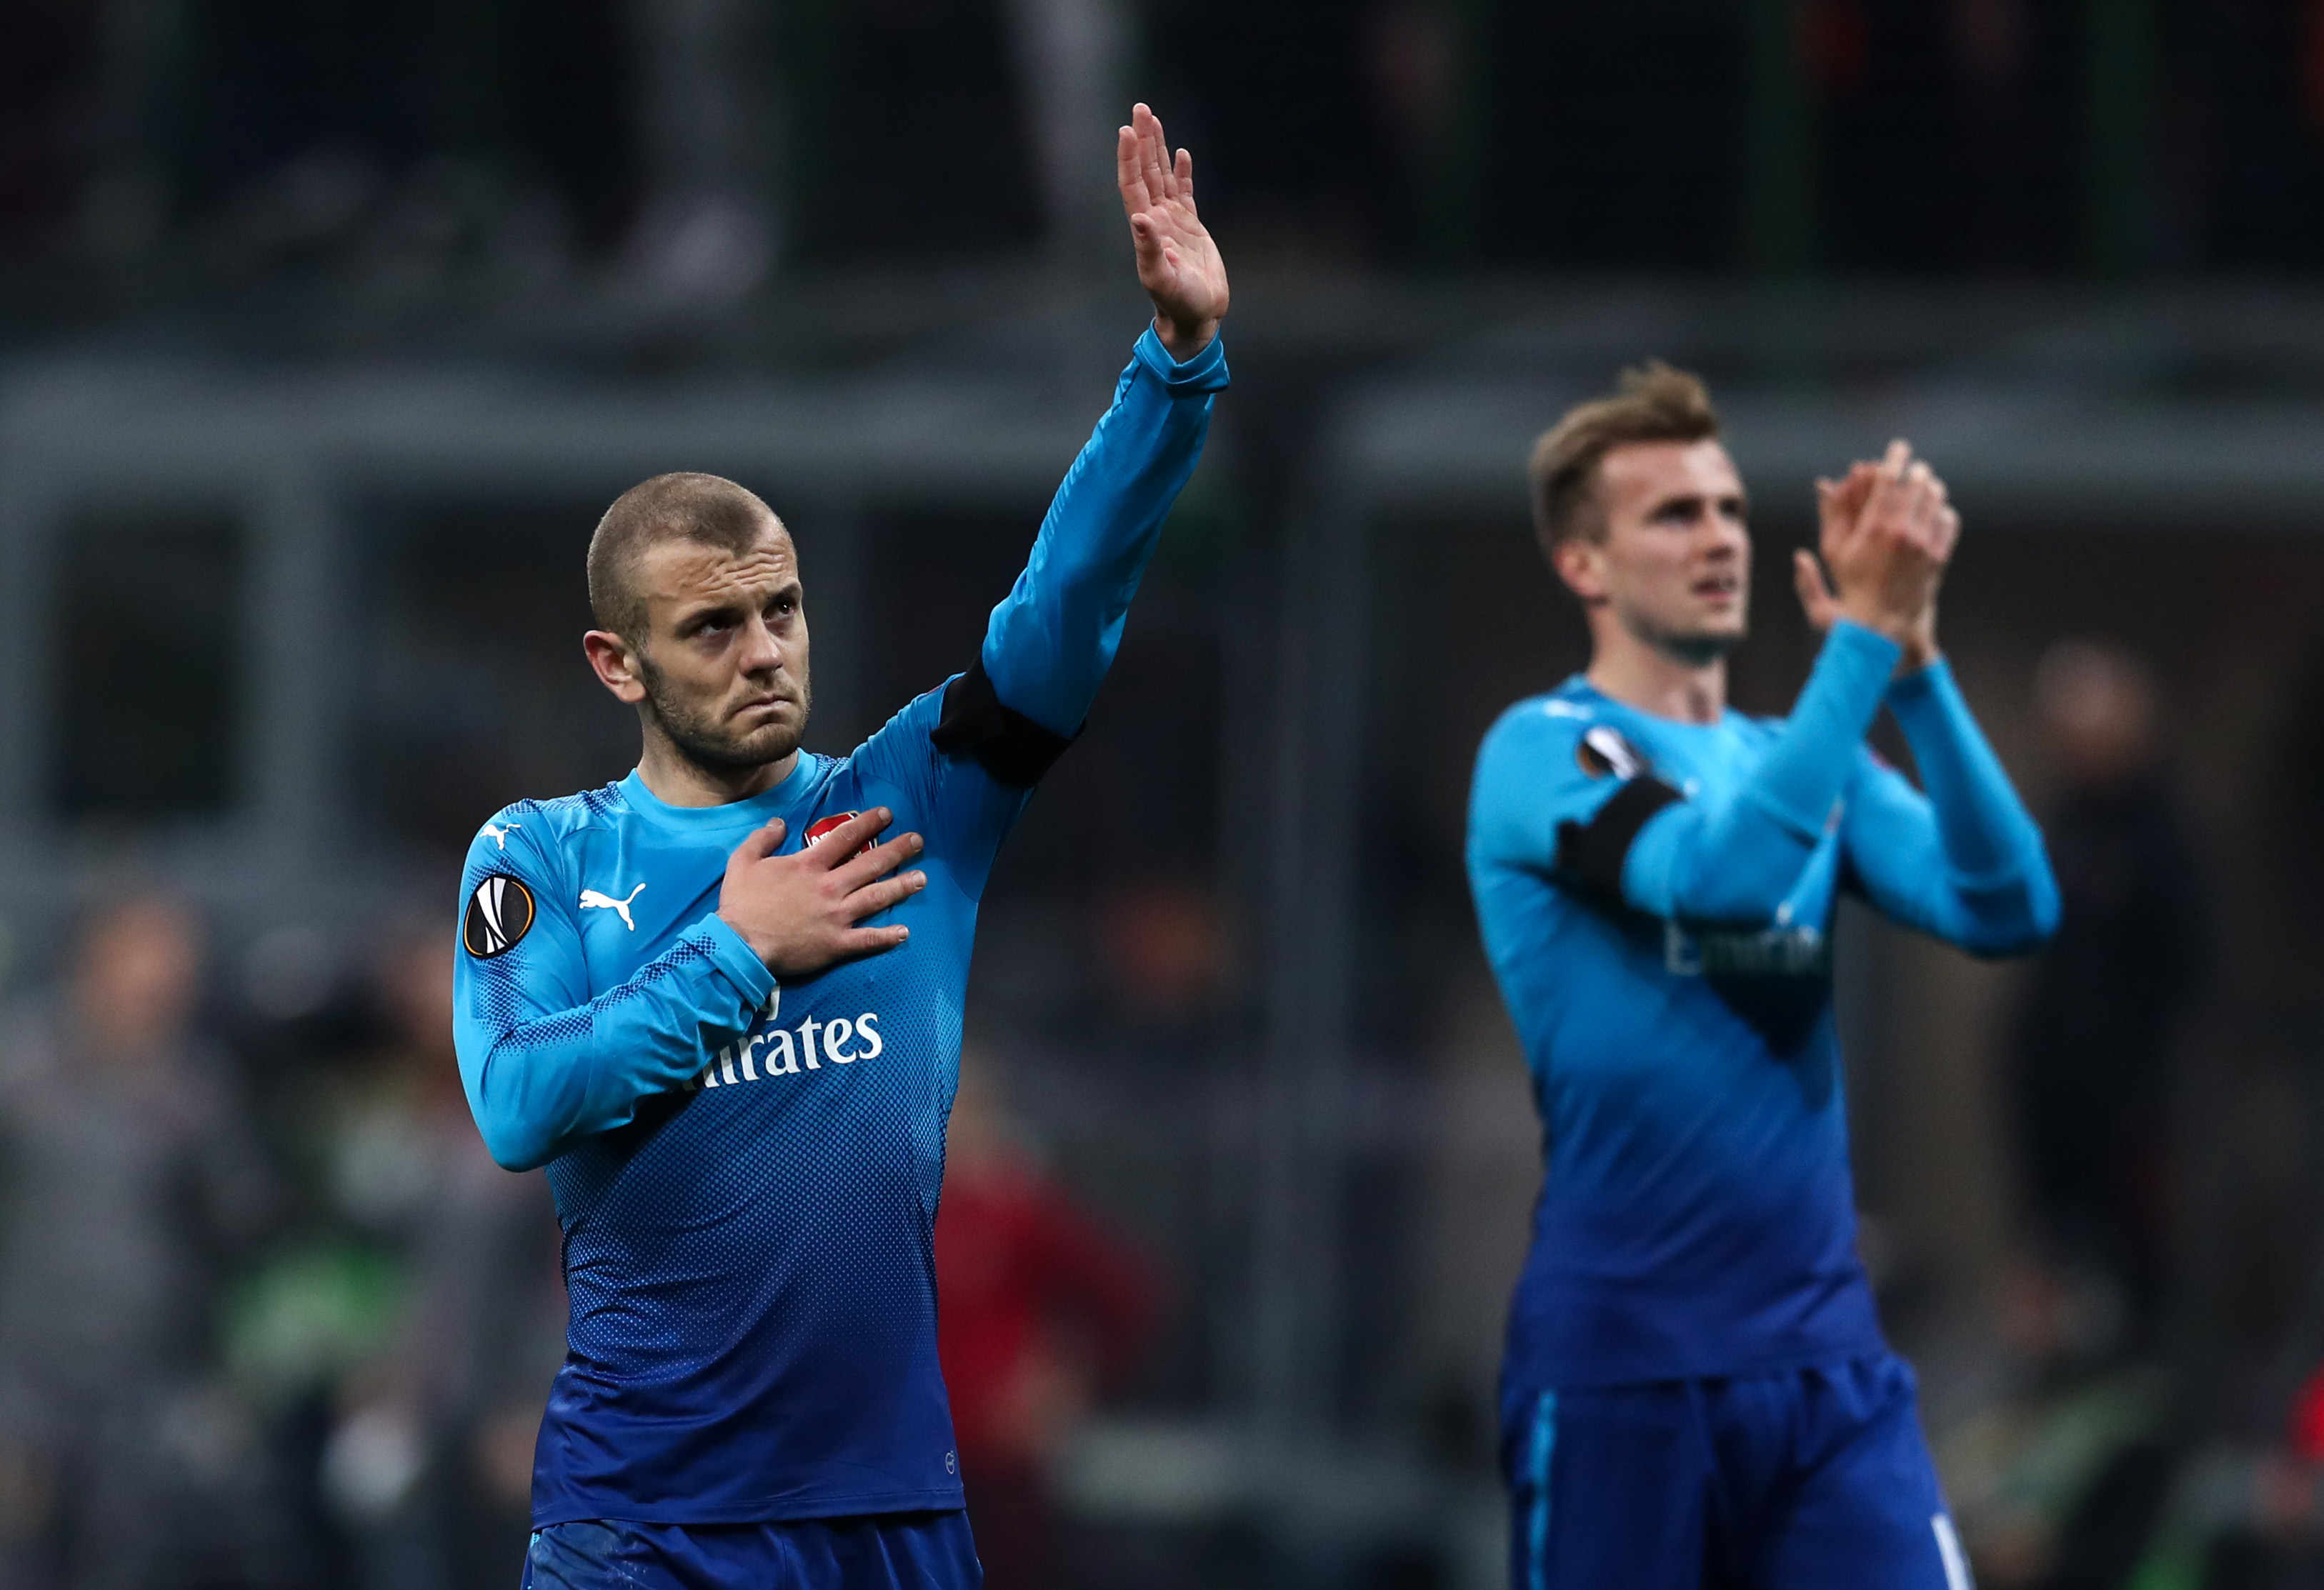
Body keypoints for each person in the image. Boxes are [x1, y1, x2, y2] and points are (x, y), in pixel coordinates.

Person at [450, 104, 1227, 1590]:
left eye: (782, 611)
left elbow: (1061, 608)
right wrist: (740, 947)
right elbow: (517, 1099)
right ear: (618, 665)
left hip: (890, 1518)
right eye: (714, 626)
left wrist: (1173, 371)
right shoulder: (538, 854)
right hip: (645, 1526)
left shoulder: (909, 799)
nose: (763, 652)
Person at [1465, 364, 2060, 1589]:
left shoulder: (1793, 763)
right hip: (1625, 1369)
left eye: (1730, 509)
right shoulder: (1538, 752)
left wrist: (1913, 674)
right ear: (1583, 565)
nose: (1719, 537)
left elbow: (2007, 906)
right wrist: (1849, 653)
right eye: (1672, 514)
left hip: (1826, 1370)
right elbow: (1720, 881)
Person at [0, 895, 284, 1588]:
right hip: (26, 1380)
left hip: (149, 1385)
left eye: (181, 958)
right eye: (150, 953)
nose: (169, 975)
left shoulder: (198, 1085)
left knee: (132, 1560)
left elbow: (250, 1226)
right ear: (95, 960)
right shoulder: (21, 1067)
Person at [2012, 641, 2206, 1328]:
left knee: (2134, 1252)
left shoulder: (2160, 831)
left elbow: (2185, 962)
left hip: (2130, 1092)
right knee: (2055, 1242)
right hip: (2052, 1082)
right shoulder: (2063, 821)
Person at [934, 1056, 1154, 1589]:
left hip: (991, 1472)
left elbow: (1123, 1292)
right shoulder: (864, 1213)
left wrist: (1072, 1384)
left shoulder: (1013, 1208)